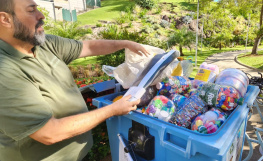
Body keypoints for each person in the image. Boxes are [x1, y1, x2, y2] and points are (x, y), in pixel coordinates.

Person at [0, 0, 150, 160]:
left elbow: (88, 47)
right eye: (31, 11)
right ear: (5, 19)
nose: (41, 15)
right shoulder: (5, 70)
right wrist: (113, 109)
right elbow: (48, 132)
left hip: (79, 154)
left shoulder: (43, 44)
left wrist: (125, 44)